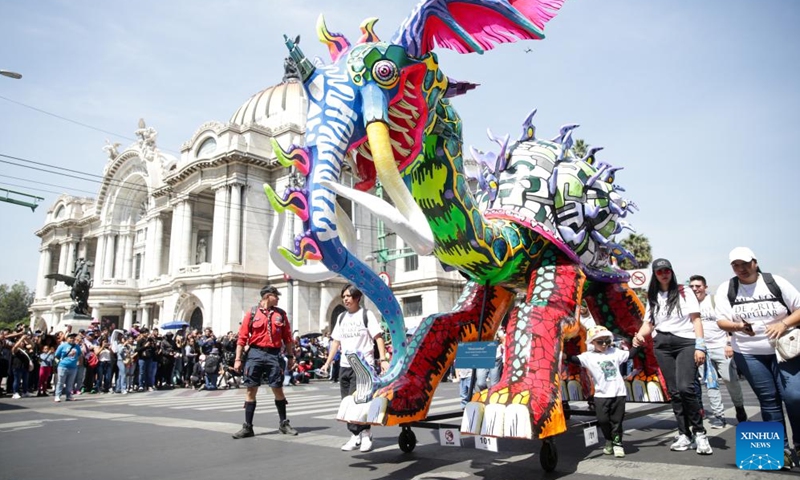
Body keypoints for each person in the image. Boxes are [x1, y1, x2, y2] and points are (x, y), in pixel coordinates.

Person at [714, 247, 800, 469]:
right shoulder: (728, 288)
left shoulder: (775, 282)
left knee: (793, 397)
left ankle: (799, 444)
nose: (741, 269)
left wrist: (783, 323)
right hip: (749, 353)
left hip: (784, 351)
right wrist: (739, 326)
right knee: (768, 400)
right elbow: (722, 321)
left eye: (745, 263)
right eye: (735, 265)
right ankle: (779, 452)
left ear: (755, 262)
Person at [633, 258, 712, 455]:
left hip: (685, 342)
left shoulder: (685, 291)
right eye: (659, 271)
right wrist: (639, 335)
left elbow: (696, 320)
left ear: (672, 271)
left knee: (686, 387)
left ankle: (700, 433)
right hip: (662, 345)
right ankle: (684, 434)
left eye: (667, 270)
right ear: (655, 274)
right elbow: (649, 323)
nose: (664, 273)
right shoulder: (653, 295)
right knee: (674, 391)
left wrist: (700, 346)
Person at [319, 284, 388, 452]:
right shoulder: (341, 317)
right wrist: (327, 363)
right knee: (348, 403)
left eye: (349, 296)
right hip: (345, 365)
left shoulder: (366, 315)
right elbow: (336, 342)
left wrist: (383, 359)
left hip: (364, 367)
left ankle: (365, 435)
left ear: (357, 298)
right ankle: (355, 436)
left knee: (360, 402)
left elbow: (378, 338)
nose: (345, 299)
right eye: (344, 296)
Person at [232, 285, 298, 439]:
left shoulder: (280, 314)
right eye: (276, 295)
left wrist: (290, 356)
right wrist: (237, 359)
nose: (278, 298)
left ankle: (283, 423)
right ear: (268, 296)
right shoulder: (252, 313)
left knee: (277, 388)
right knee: (251, 389)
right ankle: (248, 427)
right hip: (255, 353)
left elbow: (287, 337)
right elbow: (242, 338)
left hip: (274, 355)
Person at [567, 326, 640, 458]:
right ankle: (608, 440)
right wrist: (560, 352)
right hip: (601, 395)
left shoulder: (615, 352)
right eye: (600, 342)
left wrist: (636, 343)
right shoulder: (588, 357)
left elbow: (631, 354)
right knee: (603, 420)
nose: (604, 344)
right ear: (592, 342)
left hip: (618, 393)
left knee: (617, 421)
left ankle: (617, 444)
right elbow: (573, 359)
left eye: (607, 341)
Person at [689, 274, 747, 428]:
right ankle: (719, 416)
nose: (695, 289)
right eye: (692, 286)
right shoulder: (689, 305)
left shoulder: (715, 301)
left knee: (731, 380)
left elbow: (730, 322)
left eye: (698, 286)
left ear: (705, 287)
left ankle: (739, 407)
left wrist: (729, 343)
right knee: (710, 384)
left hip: (721, 348)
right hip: (703, 351)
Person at [53, 333, 81, 402]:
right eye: (70, 338)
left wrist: (78, 362)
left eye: (73, 338)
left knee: (70, 383)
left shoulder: (77, 346)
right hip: (63, 366)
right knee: (60, 382)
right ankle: (57, 395)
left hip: (73, 367)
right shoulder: (62, 346)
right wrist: (59, 363)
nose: (72, 339)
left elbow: (79, 354)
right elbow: (56, 355)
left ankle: (69, 396)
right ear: (67, 338)